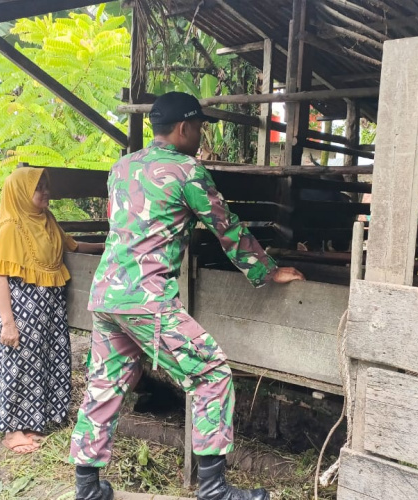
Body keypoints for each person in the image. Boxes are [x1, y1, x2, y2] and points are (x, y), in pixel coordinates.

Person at [70, 91, 305, 500]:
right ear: (183, 128)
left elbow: (123, 226)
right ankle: (213, 488)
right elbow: (225, 226)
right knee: (210, 372)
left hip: (107, 295)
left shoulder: (121, 167)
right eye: (198, 128)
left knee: (104, 384)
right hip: (147, 300)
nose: (199, 136)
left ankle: (87, 487)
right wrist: (268, 270)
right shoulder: (187, 170)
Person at [0, 167, 104, 454]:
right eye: (38, 187)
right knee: (18, 364)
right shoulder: (11, 227)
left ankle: (34, 420)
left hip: (49, 307)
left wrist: (107, 246)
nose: (46, 192)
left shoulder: (47, 219)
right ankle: (12, 430)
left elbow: (73, 245)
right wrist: (8, 323)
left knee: (45, 361)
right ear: (21, 193)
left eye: (46, 185)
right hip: (21, 308)